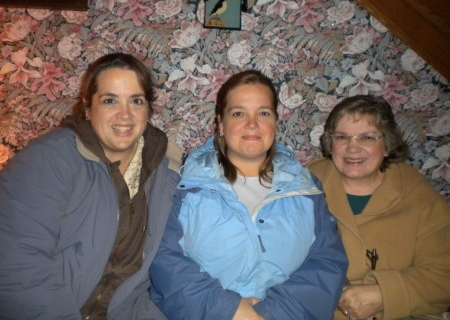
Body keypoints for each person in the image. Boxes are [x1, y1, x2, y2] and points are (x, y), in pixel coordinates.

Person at [149, 70, 348, 320]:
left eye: (263, 113)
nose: (252, 124)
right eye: (239, 113)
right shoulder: (184, 187)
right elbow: (164, 262)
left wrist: (270, 314)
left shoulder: (307, 189)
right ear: (221, 124)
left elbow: (327, 263)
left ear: (275, 123)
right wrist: (230, 310)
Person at [0, 53, 182, 319]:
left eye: (136, 101)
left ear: (149, 110)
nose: (125, 115)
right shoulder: (48, 160)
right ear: (87, 107)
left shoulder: (166, 172)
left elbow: (150, 276)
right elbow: (17, 265)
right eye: (110, 100)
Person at [308, 95, 450, 320]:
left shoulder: (420, 197)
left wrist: (384, 295)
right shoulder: (302, 187)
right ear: (330, 143)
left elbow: (444, 276)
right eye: (342, 137)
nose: (352, 148)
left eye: (367, 137)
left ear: (387, 145)